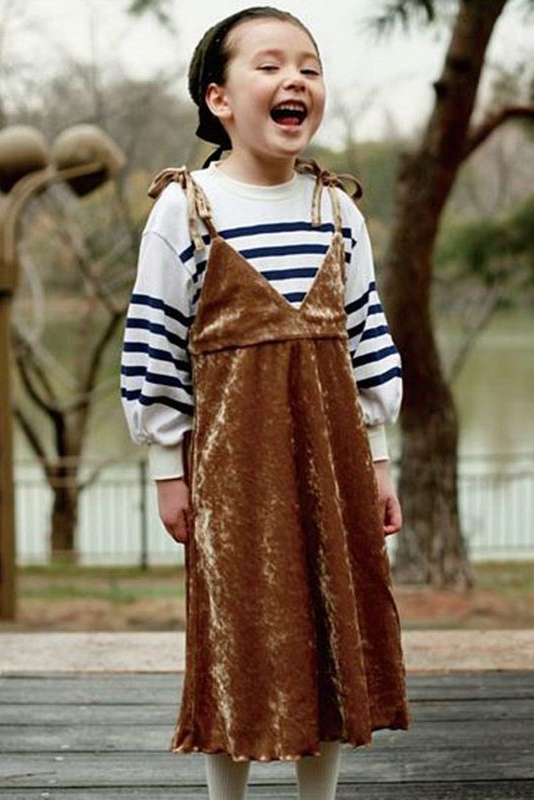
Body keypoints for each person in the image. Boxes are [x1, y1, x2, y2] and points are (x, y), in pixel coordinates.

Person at [119, 6, 412, 799]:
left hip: (334, 463)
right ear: (218, 99)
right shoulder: (186, 208)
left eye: (310, 68)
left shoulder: (336, 211)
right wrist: (168, 467)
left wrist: (380, 462)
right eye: (271, 65)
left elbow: (367, 345)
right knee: (239, 635)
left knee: (329, 627)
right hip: (233, 473)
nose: (296, 81)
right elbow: (154, 348)